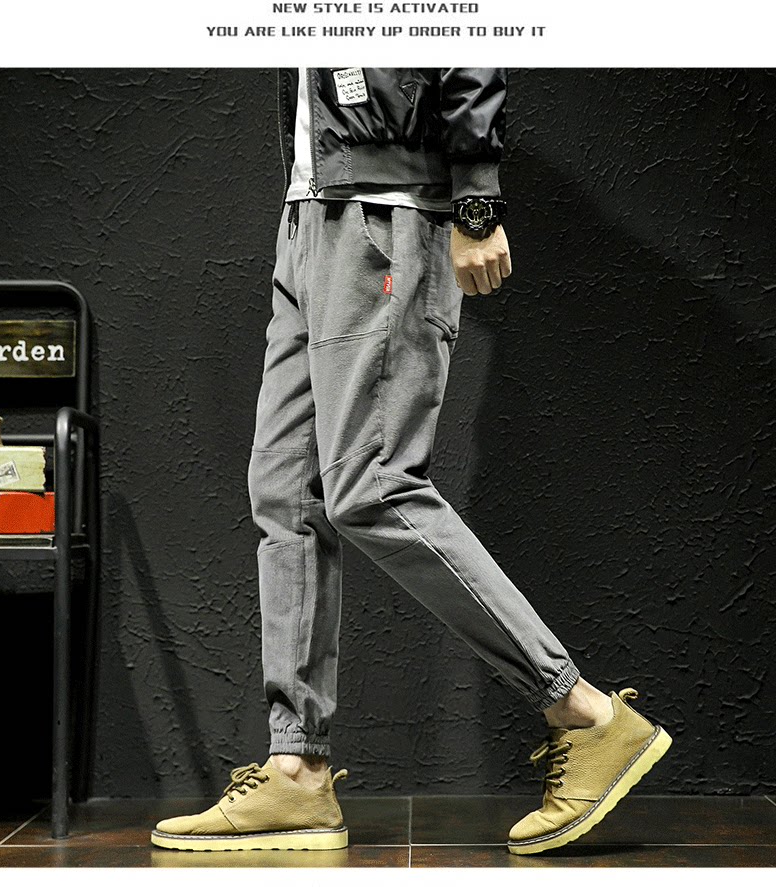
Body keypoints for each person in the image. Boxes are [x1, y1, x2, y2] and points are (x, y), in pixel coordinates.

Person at [150, 68, 671, 856]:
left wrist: (475, 203)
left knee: (373, 484)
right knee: (287, 495)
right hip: (309, 215)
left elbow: (466, 44)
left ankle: (585, 712)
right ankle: (296, 769)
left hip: (386, 210)